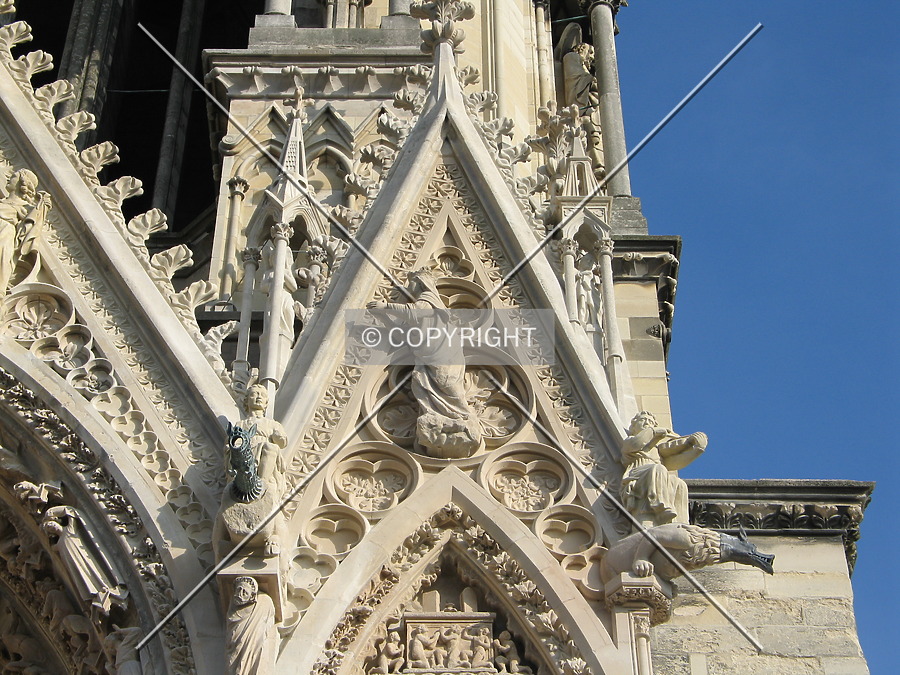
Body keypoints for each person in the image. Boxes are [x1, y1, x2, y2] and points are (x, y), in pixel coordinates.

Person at [368, 269, 482, 458]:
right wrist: (383, 316)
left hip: (444, 354)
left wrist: (386, 306)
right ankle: (440, 417)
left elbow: (416, 311)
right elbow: (400, 334)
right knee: (421, 385)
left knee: (448, 384)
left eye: (411, 282)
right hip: (426, 357)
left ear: (421, 283)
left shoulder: (428, 300)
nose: (409, 286)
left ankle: (462, 416)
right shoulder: (419, 310)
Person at [619, 411, 708, 529]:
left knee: (679, 483)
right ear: (633, 427)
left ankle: (679, 523)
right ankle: (659, 506)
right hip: (636, 474)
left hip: (654, 475)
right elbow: (637, 443)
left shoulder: (657, 450)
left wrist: (696, 450)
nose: (647, 423)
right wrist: (654, 431)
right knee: (658, 469)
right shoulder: (630, 441)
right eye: (643, 420)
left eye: (650, 422)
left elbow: (675, 462)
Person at [0, 169, 51, 293]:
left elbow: (33, 221)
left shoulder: (24, 207)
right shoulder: (3, 202)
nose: (8, 179)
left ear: (22, 182)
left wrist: (43, 205)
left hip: (4, 235)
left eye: (13, 177)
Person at [226, 577, 277, 675]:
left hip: (252, 644)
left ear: (252, 597)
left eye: (244, 592)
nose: (239, 594)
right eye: (238, 590)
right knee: (232, 660)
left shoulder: (263, 603)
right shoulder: (231, 609)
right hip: (234, 642)